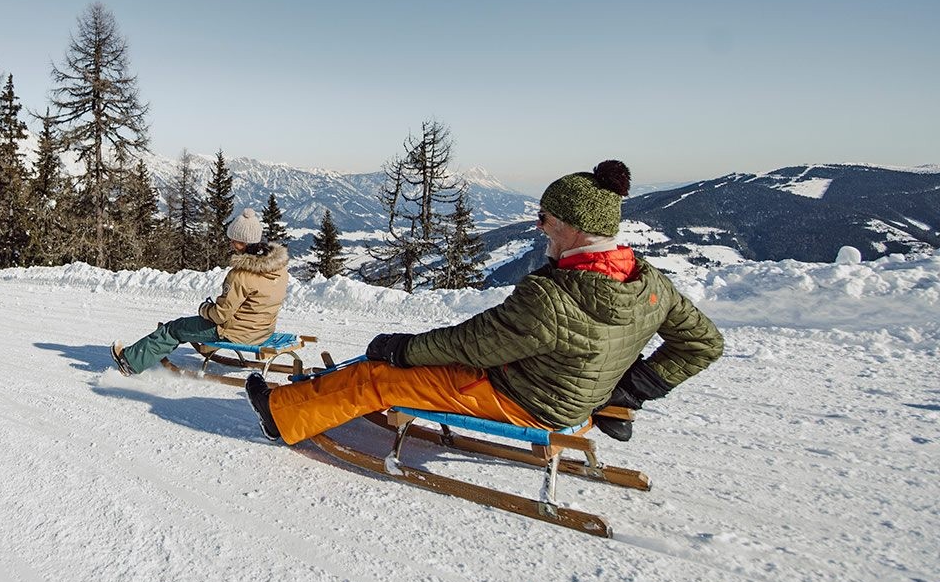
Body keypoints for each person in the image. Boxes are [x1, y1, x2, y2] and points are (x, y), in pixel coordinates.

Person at [245, 160, 723, 444]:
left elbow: (473, 345)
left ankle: (280, 416)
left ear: (574, 227)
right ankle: (303, 400)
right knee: (393, 367)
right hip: (570, 397)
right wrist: (630, 389)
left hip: (525, 399)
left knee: (378, 376)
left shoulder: (553, 296)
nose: (539, 227)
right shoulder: (648, 282)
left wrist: (400, 350)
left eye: (546, 218)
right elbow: (704, 343)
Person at [112, 208, 290, 375]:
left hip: (237, 333)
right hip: (263, 331)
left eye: (234, 240)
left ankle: (129, 361)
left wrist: (204, 309)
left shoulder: (241, 275)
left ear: (243, 243)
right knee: (183, 326)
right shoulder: (279, 269)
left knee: (174, 328)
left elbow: (220, 316)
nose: (231, 243)